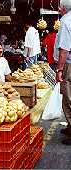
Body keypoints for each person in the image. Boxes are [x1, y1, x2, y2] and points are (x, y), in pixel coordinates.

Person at [55, 0, 71, 145]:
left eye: (60, 6)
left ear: (64, 8)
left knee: (68, 97)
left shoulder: (66, 21)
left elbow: (64, 49)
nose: (58, 9)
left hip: (69, 65)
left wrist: (59, 69)